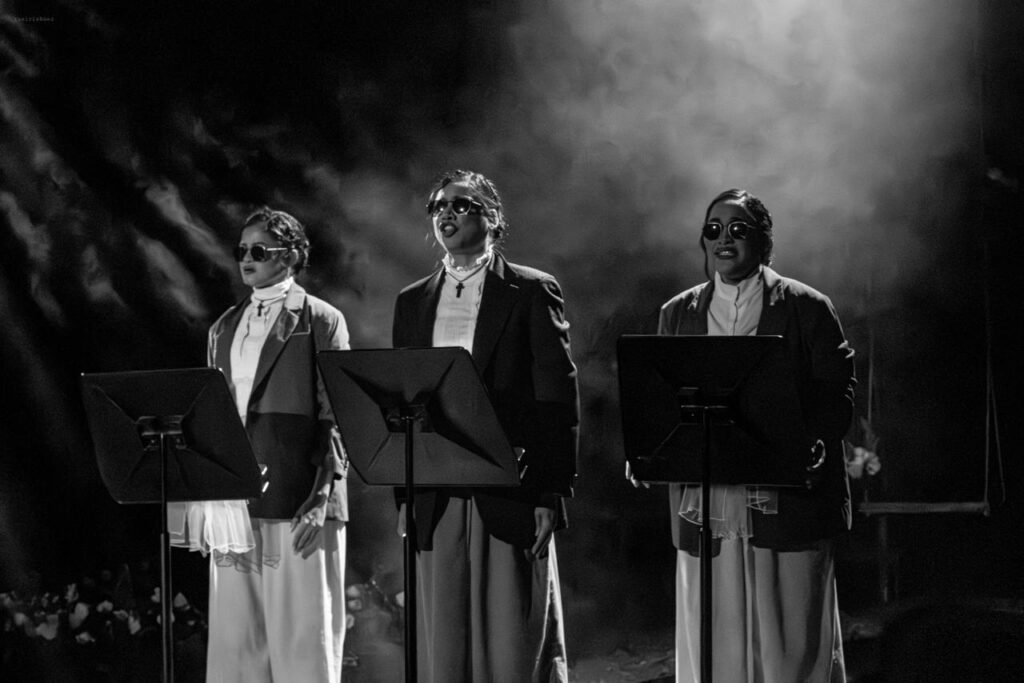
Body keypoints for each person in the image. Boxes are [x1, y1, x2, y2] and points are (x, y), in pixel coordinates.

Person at [654, 189, 855, 682]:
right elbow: (659, 397)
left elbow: (837, 390)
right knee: (715, 631)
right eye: (714, 229)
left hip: (785, 496)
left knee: (790, 635)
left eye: (738, 229)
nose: (724, 238)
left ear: (763, 241)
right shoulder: (678, 312)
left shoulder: (807, 307)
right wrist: (653, 450)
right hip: (709, 494)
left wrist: (816, 439)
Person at [392, 169, 578, 682]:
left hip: (509, 485)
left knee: (510, 637)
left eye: (461, 204)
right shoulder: (412, 300)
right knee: (443, 640)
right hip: (437, 488)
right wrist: (405, 495)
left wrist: (550, 490)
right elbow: (403, 395)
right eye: (438, 206)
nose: (446, 214)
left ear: (492, 218)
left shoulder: (530, 290)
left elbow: (556, 395)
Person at [202, 207, 350, 682]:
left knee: (304, 646)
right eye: (241, 249)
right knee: (236, 650)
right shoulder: (224, 327)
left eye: (259, 250)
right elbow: (214, 419)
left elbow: (338, 415)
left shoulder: (320, 319)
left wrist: (322, 497)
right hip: (235, 502)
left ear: (290, 255)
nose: (246, 258)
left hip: (300, 496)